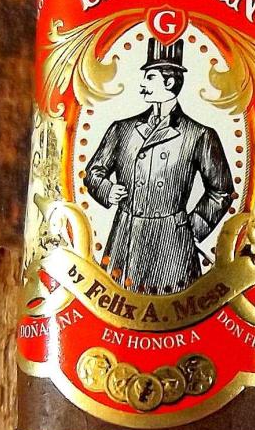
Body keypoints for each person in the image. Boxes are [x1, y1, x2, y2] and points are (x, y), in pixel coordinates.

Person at [85, 38, 235, 294]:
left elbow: (221, 190)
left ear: (169, 82)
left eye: (150, 77)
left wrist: (190, 228)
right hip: (125, 239)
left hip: (171, 246)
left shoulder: (199, 134)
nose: (142, 84)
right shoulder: (122, 129)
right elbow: (93, 172)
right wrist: (107, 190)